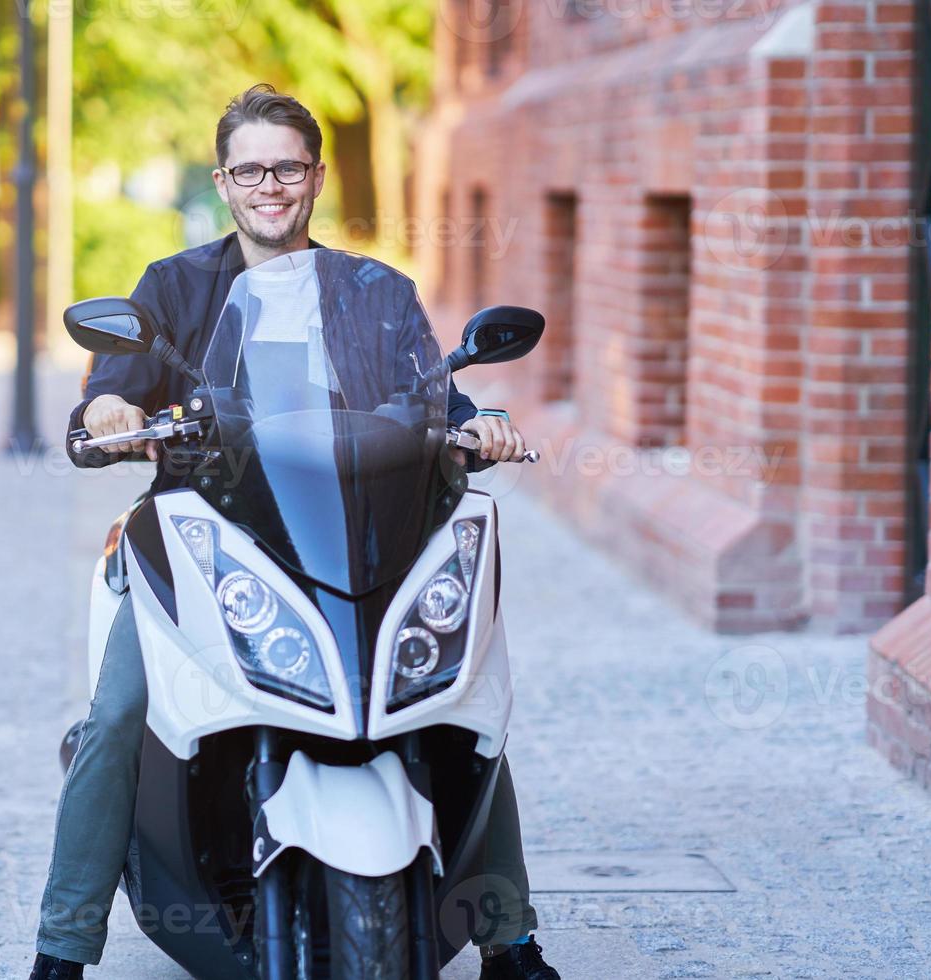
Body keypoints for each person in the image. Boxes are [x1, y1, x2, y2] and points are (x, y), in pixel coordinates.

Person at [30, 84, 559, 980]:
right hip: (209, 532)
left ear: (316, 177)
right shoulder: (172, 286)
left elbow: (444, 400)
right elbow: (110, 389)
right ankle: (62, 947)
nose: (269, 185)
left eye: (287, 167)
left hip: (359, 536)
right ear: (223, 181)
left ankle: (509, 938)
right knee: (119, 711)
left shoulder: (378, 294)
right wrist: (116, 409)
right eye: (250, 169)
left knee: (459, 694)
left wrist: (482, 426)